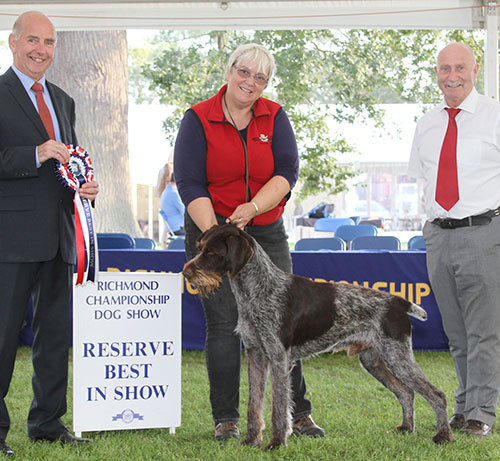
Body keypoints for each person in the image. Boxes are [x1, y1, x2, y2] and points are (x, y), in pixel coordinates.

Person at [174, 43, 324, 441]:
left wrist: (254, 207)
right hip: (212, 229)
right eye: (244, 72)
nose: (251, 82)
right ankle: (226, 418)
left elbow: (286, 173)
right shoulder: (197, 118)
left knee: (282, 324)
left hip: (264, 226)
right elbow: (189, 181)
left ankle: (299, 413)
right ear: (229, 71)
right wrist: (215, 236)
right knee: (225, 323)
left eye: (261, 77)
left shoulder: (274, 115)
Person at [0, 11, 99, 457]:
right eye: (33, 41)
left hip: (61, 236)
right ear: (13, 42)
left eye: (50, 42)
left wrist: (85, 188)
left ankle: (47, 422)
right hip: (11, 239)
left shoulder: (63, 99)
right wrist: (34, 153)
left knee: (56, 334)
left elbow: (68, 165)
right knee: (2, 336)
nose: (42, 50)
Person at [408, 42, 500, 438]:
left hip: (482, 232)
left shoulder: (495, 116)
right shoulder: (427, 122)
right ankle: (464, 406)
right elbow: (424, 180)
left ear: (475, 71)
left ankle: (482, 412)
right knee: (457, 332)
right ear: (436, 73)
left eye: (460, 67)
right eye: (445, 68)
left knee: (484, 330)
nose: (452, 76)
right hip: (438, 236)